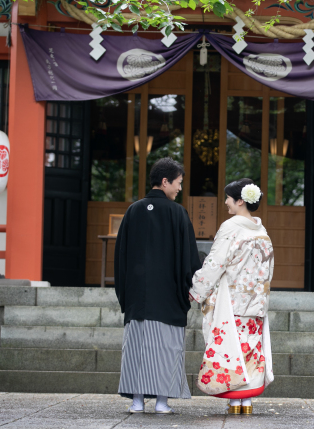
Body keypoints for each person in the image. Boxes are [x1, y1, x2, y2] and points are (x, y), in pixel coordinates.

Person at [114, 157, 202, 414]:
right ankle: (162, 402)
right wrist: (192, 287)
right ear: (165, 182)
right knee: (166, 348)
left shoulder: (133, 210)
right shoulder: (177, 213)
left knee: (136, 347)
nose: (179, 188)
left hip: (137, 297)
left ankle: (137, 401)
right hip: (168, 296)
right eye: (178, 183)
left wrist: (125, 294)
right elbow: (189, 257)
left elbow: (121, 257)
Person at [189, 178, 274, 415]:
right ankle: (246, 402)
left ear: (239, 201)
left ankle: (235, 401)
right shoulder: (262, 231)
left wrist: (197, 289)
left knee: (231, 348)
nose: (225, 202)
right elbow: (268, 269)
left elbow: (215, 263)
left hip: (232, 300)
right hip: (256, 301)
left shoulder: (231, 227)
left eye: (228, 198)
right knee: (250, 348)